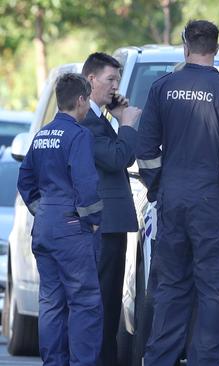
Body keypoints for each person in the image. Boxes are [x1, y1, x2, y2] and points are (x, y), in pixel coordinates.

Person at [136, 19, 219, 365]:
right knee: (214, 292)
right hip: (213, 206)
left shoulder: (162, 88)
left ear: (185, 46)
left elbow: (145, 149)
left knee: (170, 288)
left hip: (172, 200)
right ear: (216, 48)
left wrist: (157, 188)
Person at [17, 73, 103, 366]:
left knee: (51, 303)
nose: (89, 106)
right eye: (88, 100)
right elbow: (87, 183)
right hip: (72, 228)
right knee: (84, 303)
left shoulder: (41, 135)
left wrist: (41, 208)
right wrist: (93, 219)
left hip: (44, 226)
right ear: (80, 100)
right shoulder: (79, 135)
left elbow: (25, 180)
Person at [79, 52, 142, 366]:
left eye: (117, 79)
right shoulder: (86, 122)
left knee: (109, 304)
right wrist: (127, 122)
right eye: (111, 80)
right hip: (102, 226)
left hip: (110, 225)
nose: (116, 86)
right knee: (103, 304)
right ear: (91, 80)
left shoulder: (99, 119)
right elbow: (119, 158)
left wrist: (118, 119)